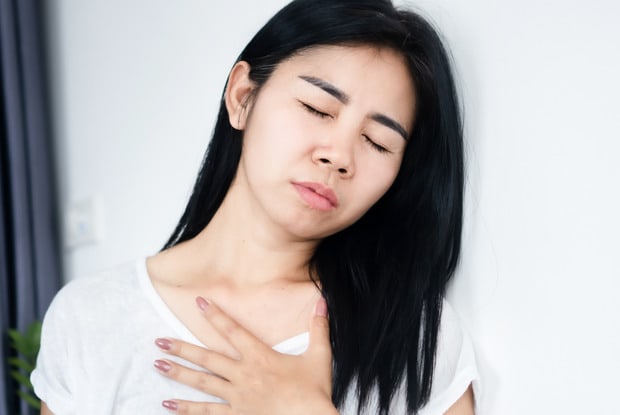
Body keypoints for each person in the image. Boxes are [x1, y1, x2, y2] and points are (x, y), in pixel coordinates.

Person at [31, 0, 479, 414]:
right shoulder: (91, 317)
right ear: (243, 97)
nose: (340, 156)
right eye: (317, 108)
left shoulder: (416, 336)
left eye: (377, 142)